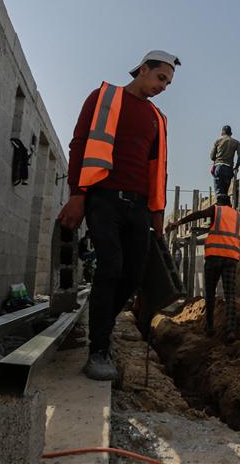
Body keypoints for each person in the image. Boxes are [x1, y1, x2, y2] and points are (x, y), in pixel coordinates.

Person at [57, 50, 179, 381]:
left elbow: (158, 170)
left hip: (138, 206)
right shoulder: (103, 98)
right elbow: (79, 144)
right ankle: (98, 350)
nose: (164, 86)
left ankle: (101, 326)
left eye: (168, 82)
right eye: (161, 78)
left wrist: (157, 214)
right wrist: (77, 195)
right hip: (103, 198)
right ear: (143, 69)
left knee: (133, 273)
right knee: (110, 267)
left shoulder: (157, 118)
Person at [166, 194, 240, 342]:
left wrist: (179, 222)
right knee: (230, 295)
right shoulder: (239, 216)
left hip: (214, 257)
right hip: (230, 259)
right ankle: (231, 331)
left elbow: (199, 214)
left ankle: (209, 328)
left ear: (219, 203)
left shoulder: (217, 210)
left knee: (209, 293)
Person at [209, 125, 240, 196]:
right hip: (229, 169)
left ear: (222, 133)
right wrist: (236, 167)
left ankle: (221, 206)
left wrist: (217, 160)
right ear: (231, 133)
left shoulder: (217, 141)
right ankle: (225, 206)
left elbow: (212, 157)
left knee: (219, 194)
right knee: (225, 193)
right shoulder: (236, 142)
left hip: (219, 168)